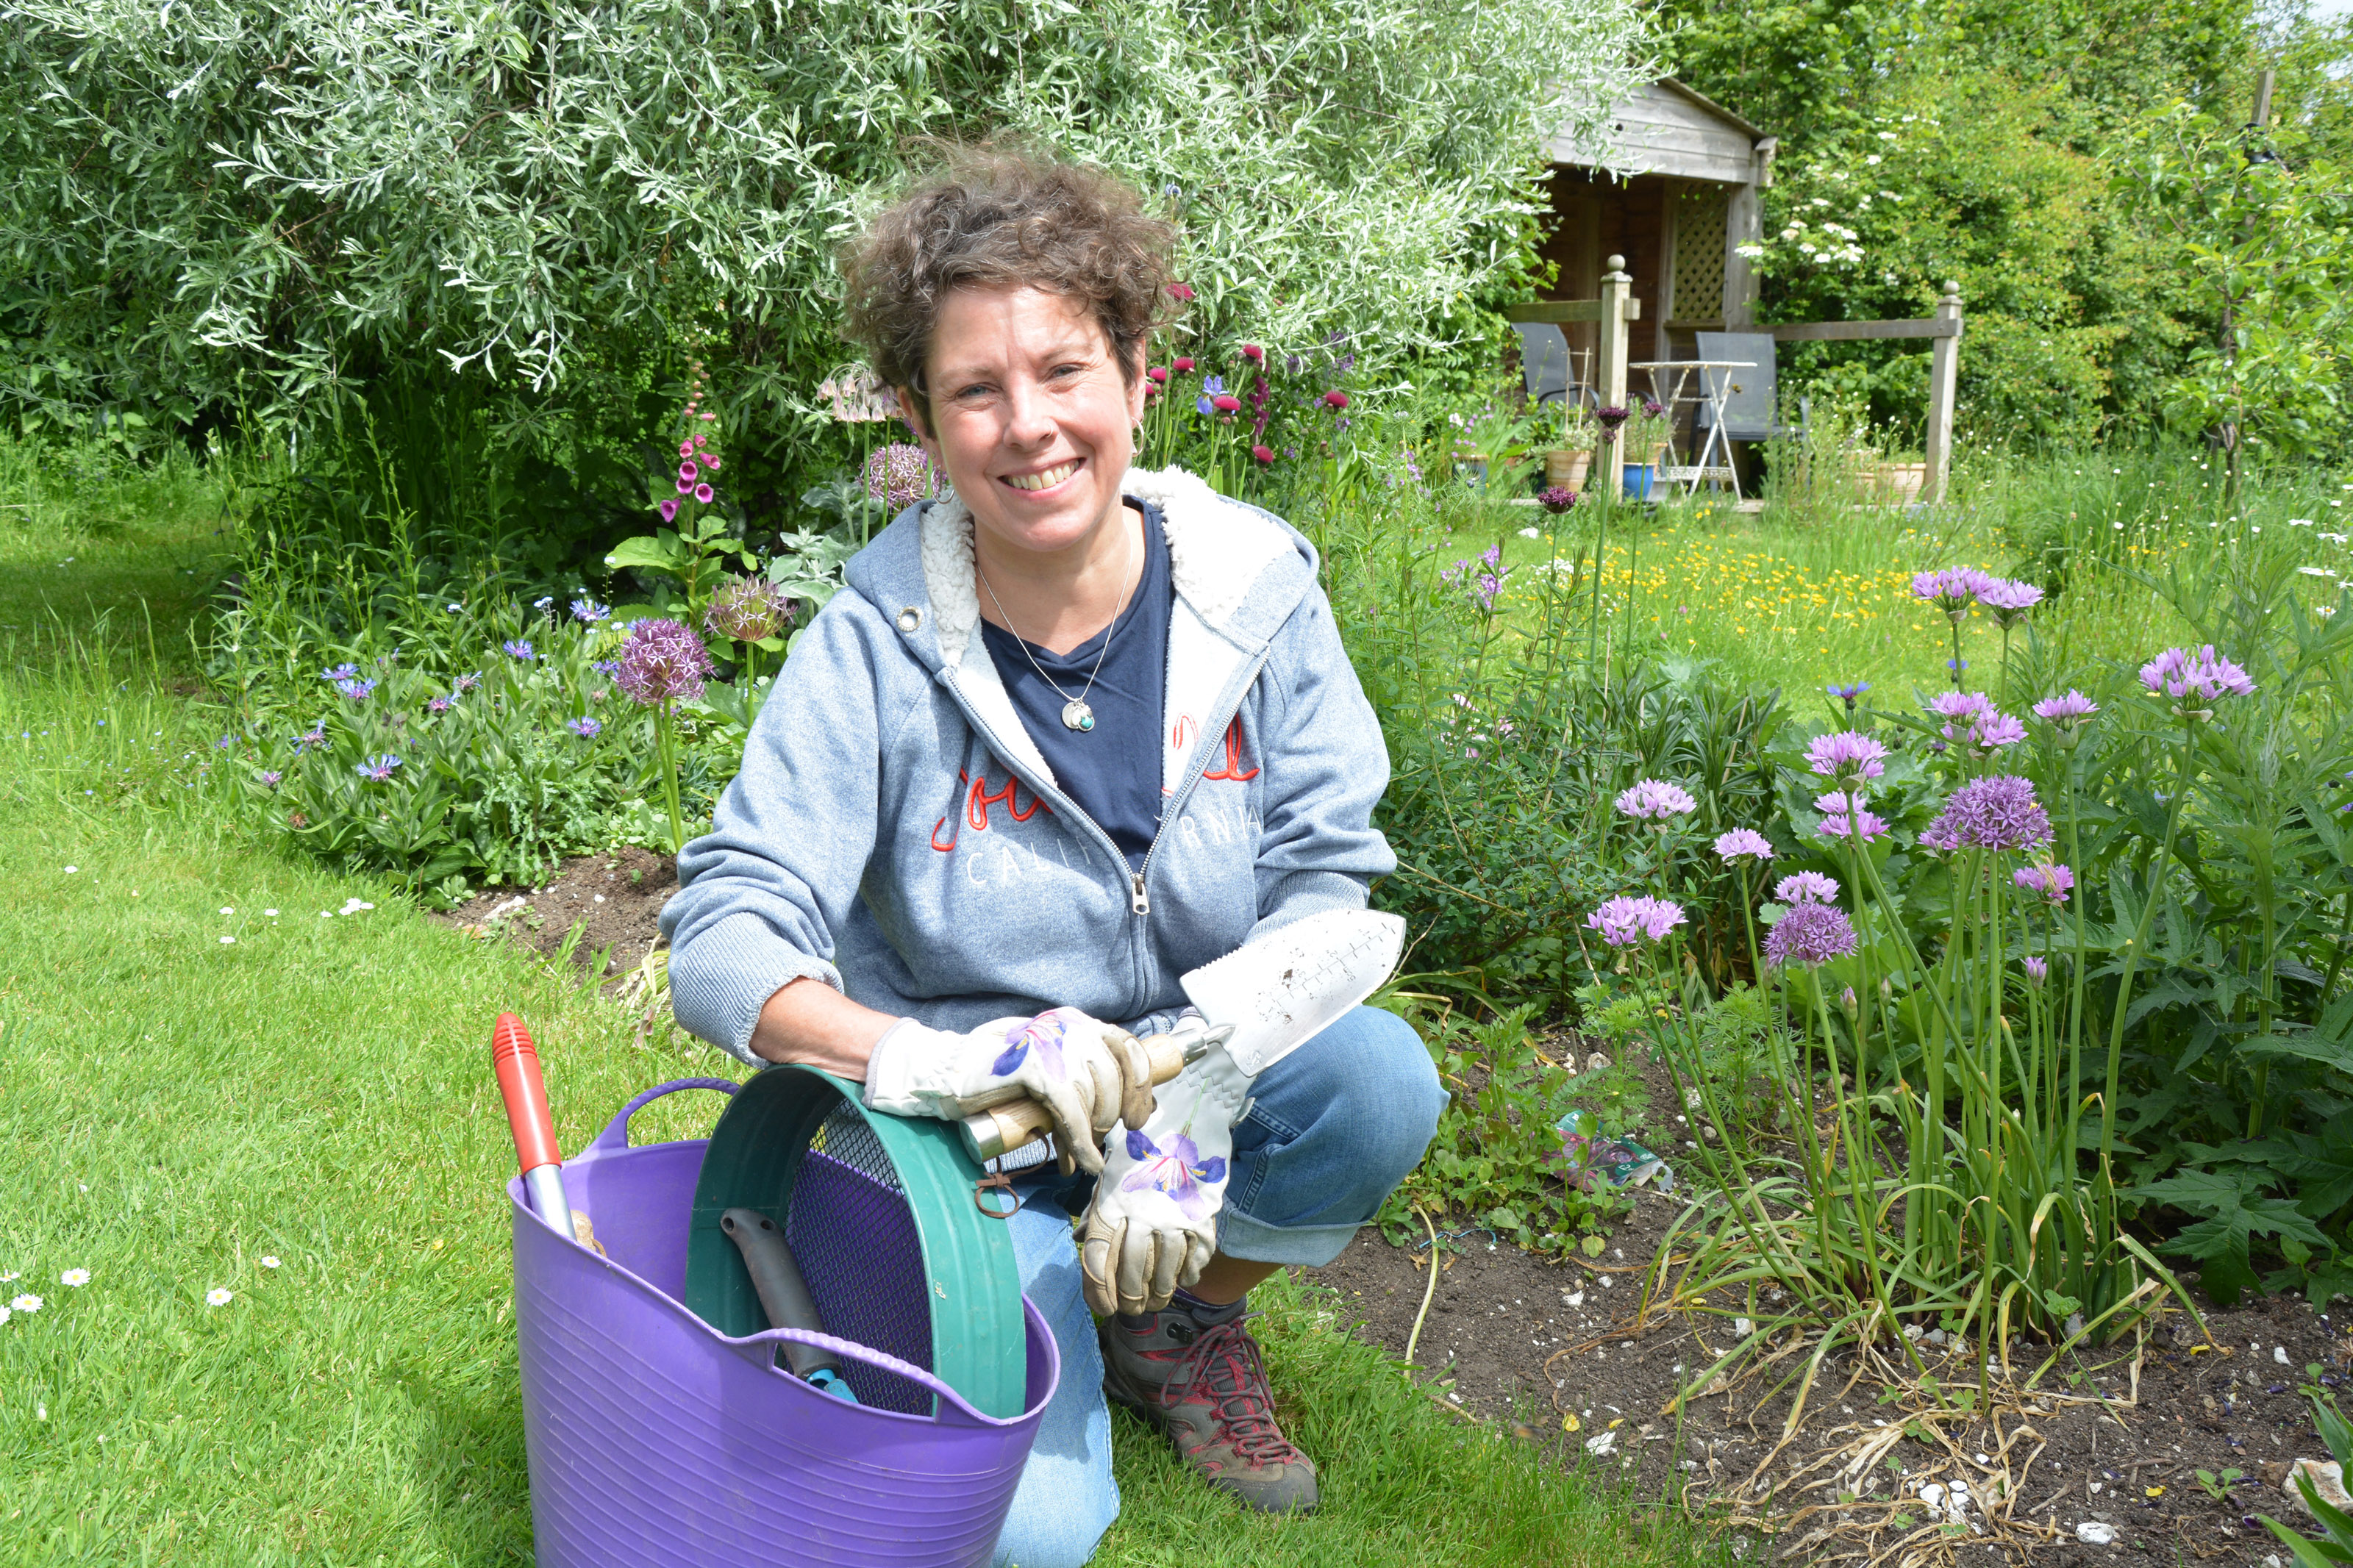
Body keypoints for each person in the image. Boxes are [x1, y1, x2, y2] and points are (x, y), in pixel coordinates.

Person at [660, 143, 1446, 1567]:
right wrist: (937, 1061)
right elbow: (724, 933)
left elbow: (1333, 884)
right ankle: (1033, 1294)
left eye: (1064, 369)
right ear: (918, 416)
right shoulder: (872, 644)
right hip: (970, 1133)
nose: (1029, 425)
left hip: (1182, 1084)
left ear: (1139, 372)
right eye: (975, 388)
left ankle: (1175, 1315)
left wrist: (1196, 1091)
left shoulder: (1259, 592)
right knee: (1025, 1532)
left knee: (1376, 1078)